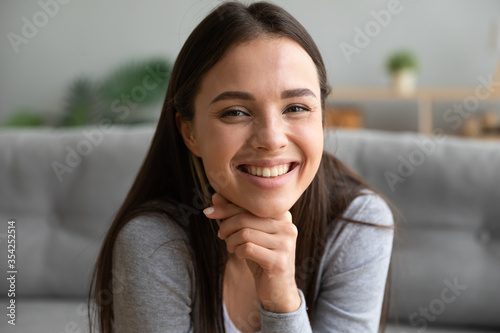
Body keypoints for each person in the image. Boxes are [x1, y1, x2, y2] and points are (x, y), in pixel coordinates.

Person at [88, 2, 394, 332]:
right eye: (235, 112)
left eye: (295, 107)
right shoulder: (154, 243)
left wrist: (282, 298)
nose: (272, 139)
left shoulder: (357, 223)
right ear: (190, 132)